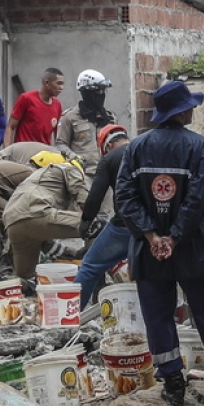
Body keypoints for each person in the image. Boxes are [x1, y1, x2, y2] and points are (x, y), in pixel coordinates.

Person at [115, 80, 204, 406]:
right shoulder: (199, 147)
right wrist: (175, 236)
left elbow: (125, 198)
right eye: (190, 105)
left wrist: (152, 236)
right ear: (182, 110)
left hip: (148, 250)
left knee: (157, 316)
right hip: (193, 246)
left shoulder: (136, 147)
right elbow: (198, 198)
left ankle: (172, 383)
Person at [3, 151, 86, 285]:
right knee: (96, 226)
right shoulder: (69, 167)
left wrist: (72, 254)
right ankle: (94, 279)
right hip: (37, 211)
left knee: (26, 278)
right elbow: (81, 193)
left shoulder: (34, 179)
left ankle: (11, 288)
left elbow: (45, 241)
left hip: (12, 222)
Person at [75, 125, 131, 309]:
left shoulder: (109, 159)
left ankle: (71, 316)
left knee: (90, 265)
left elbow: (95, 196)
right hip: (155, 227)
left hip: (124, 227)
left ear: (107, 146)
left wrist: (85, 223)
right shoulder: (146, 149)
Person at [56, 69, 115, 174]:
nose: (101, 95)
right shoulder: (70, 117)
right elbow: (60, 144)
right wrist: (74, 157)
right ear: (86, 92)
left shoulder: (109, 117)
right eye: (98, 91)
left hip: (108, 174)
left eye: (103, 91)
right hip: (83, 174)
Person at [5, 68, 64, 146]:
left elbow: (58, 136)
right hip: (24, 153)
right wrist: (6, 152)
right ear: (46, 83)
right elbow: (11, 127)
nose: (61, 87)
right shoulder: (26, 98)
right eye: (58, 83)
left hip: (44, 154)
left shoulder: (58, 105)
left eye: (62, 84)